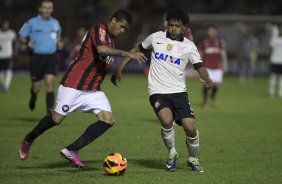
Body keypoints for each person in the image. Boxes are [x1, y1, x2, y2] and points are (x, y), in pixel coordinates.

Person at [18, 9, 146, 168]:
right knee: (56, 119)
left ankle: (71, 150)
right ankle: (29, 138)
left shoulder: (111, 41)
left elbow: (102, 60)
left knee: (107, 120)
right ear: (113, 20)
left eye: (125, 29)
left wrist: (116, 72)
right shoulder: (99, 29)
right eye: (121, 26)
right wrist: (127, 53)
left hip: (92, 89)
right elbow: (101, 50)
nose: (122, 31)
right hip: (74, 84)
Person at [111, 7, 213, 173]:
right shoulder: (155, 38)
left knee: (190, 126)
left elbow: (199, 67)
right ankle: (172, 153)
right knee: (166, 121)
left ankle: (192, 159)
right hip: (157, 90)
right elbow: (135, 50)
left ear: (184, 27)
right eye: (170, 24)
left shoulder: (189, 46)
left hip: (179, 91)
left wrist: (206, 78)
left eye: (177, 25)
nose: (172, 28)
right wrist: (120, 68)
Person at [18, 0, 62, 115]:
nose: (47, 10)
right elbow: (21, 37)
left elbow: (57, 37)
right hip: (37, 58)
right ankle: (33, 96)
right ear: (40, 9)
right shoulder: (31, 22)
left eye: (49, 8)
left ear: (52, 9)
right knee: (37, 87)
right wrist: (27, 42)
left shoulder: (55, 23)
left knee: (49, 83)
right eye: (45, 7)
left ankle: (49, 113)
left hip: (51, 58)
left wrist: (59, 43)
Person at [197, 25, 228, 107]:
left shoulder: (220, 41)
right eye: (209, 31)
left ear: (215, 32)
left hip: (217, 67)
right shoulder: (203, 41)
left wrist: (225, 64)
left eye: (212, 31)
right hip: (206, 66)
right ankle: (205, 101)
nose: (211, 32)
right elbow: (199, 53)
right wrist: (198, 65)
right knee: (206, 83)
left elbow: (223, 54)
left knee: (216, 84)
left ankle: (213, 96)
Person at [0, 20, 16, 92]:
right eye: (4, 24)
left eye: (6, 24)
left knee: (8, 70)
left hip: (8, 55)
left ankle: (6, 86)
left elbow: (15, 43)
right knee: (1, 72)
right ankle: (3, 84)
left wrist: (14, 52)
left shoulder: (11, 33)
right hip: (0, 56)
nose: (5, 26)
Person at [269, 24, 282, 99]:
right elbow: (271, 50)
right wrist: (270, 59)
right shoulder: (274, 39)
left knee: (281, 78)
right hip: (275, 60)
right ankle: (271, 93)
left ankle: (280, 94)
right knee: (272, 77)